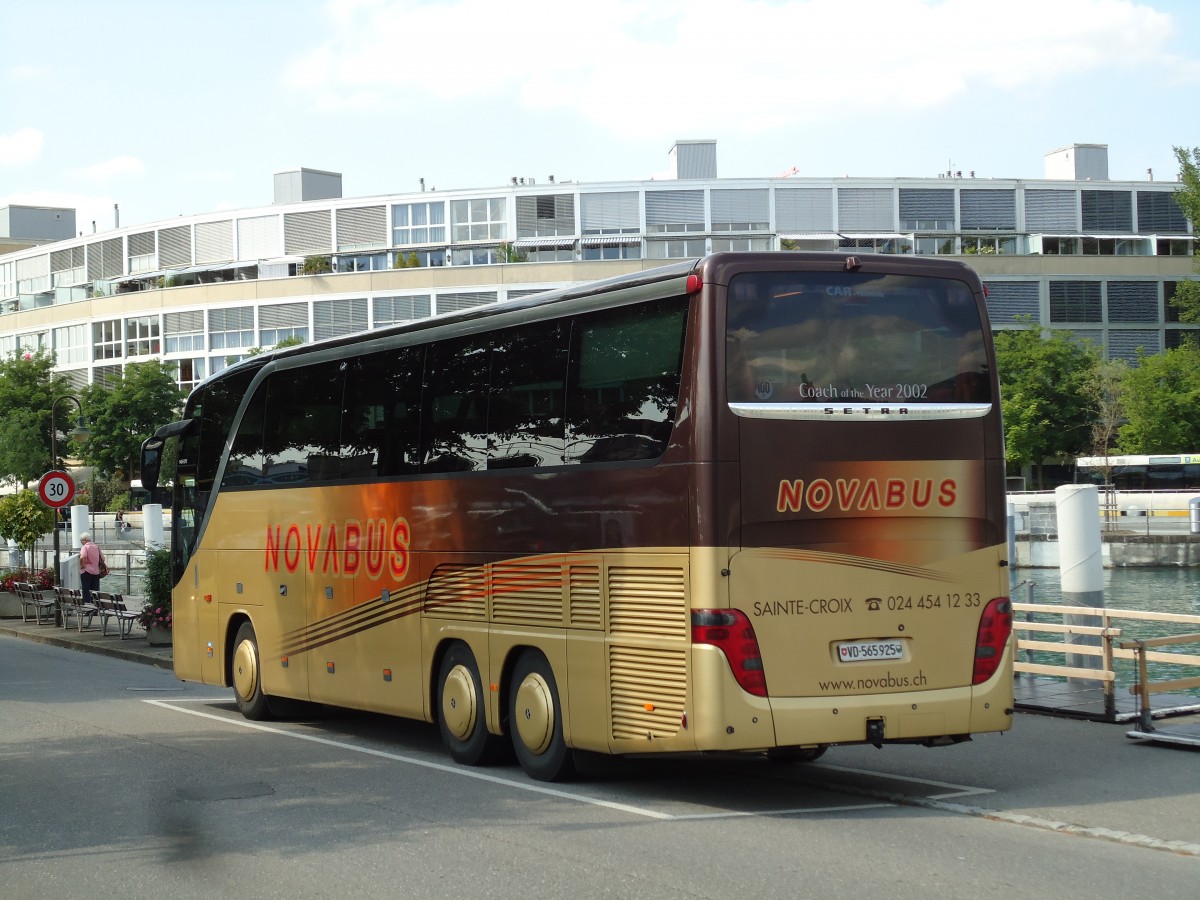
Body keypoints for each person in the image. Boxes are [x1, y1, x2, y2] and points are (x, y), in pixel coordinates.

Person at [79, 532, 102, 607]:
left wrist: (82, 566)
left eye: (81, 540)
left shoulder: (85, 547)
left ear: (85, 540)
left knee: (86, 590)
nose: (81, 542)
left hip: (86, 571)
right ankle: (95, 607)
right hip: (96, 571)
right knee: (95, 590)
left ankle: (87, 607)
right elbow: (103, 558)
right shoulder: (96, 546)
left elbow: (82, 557)